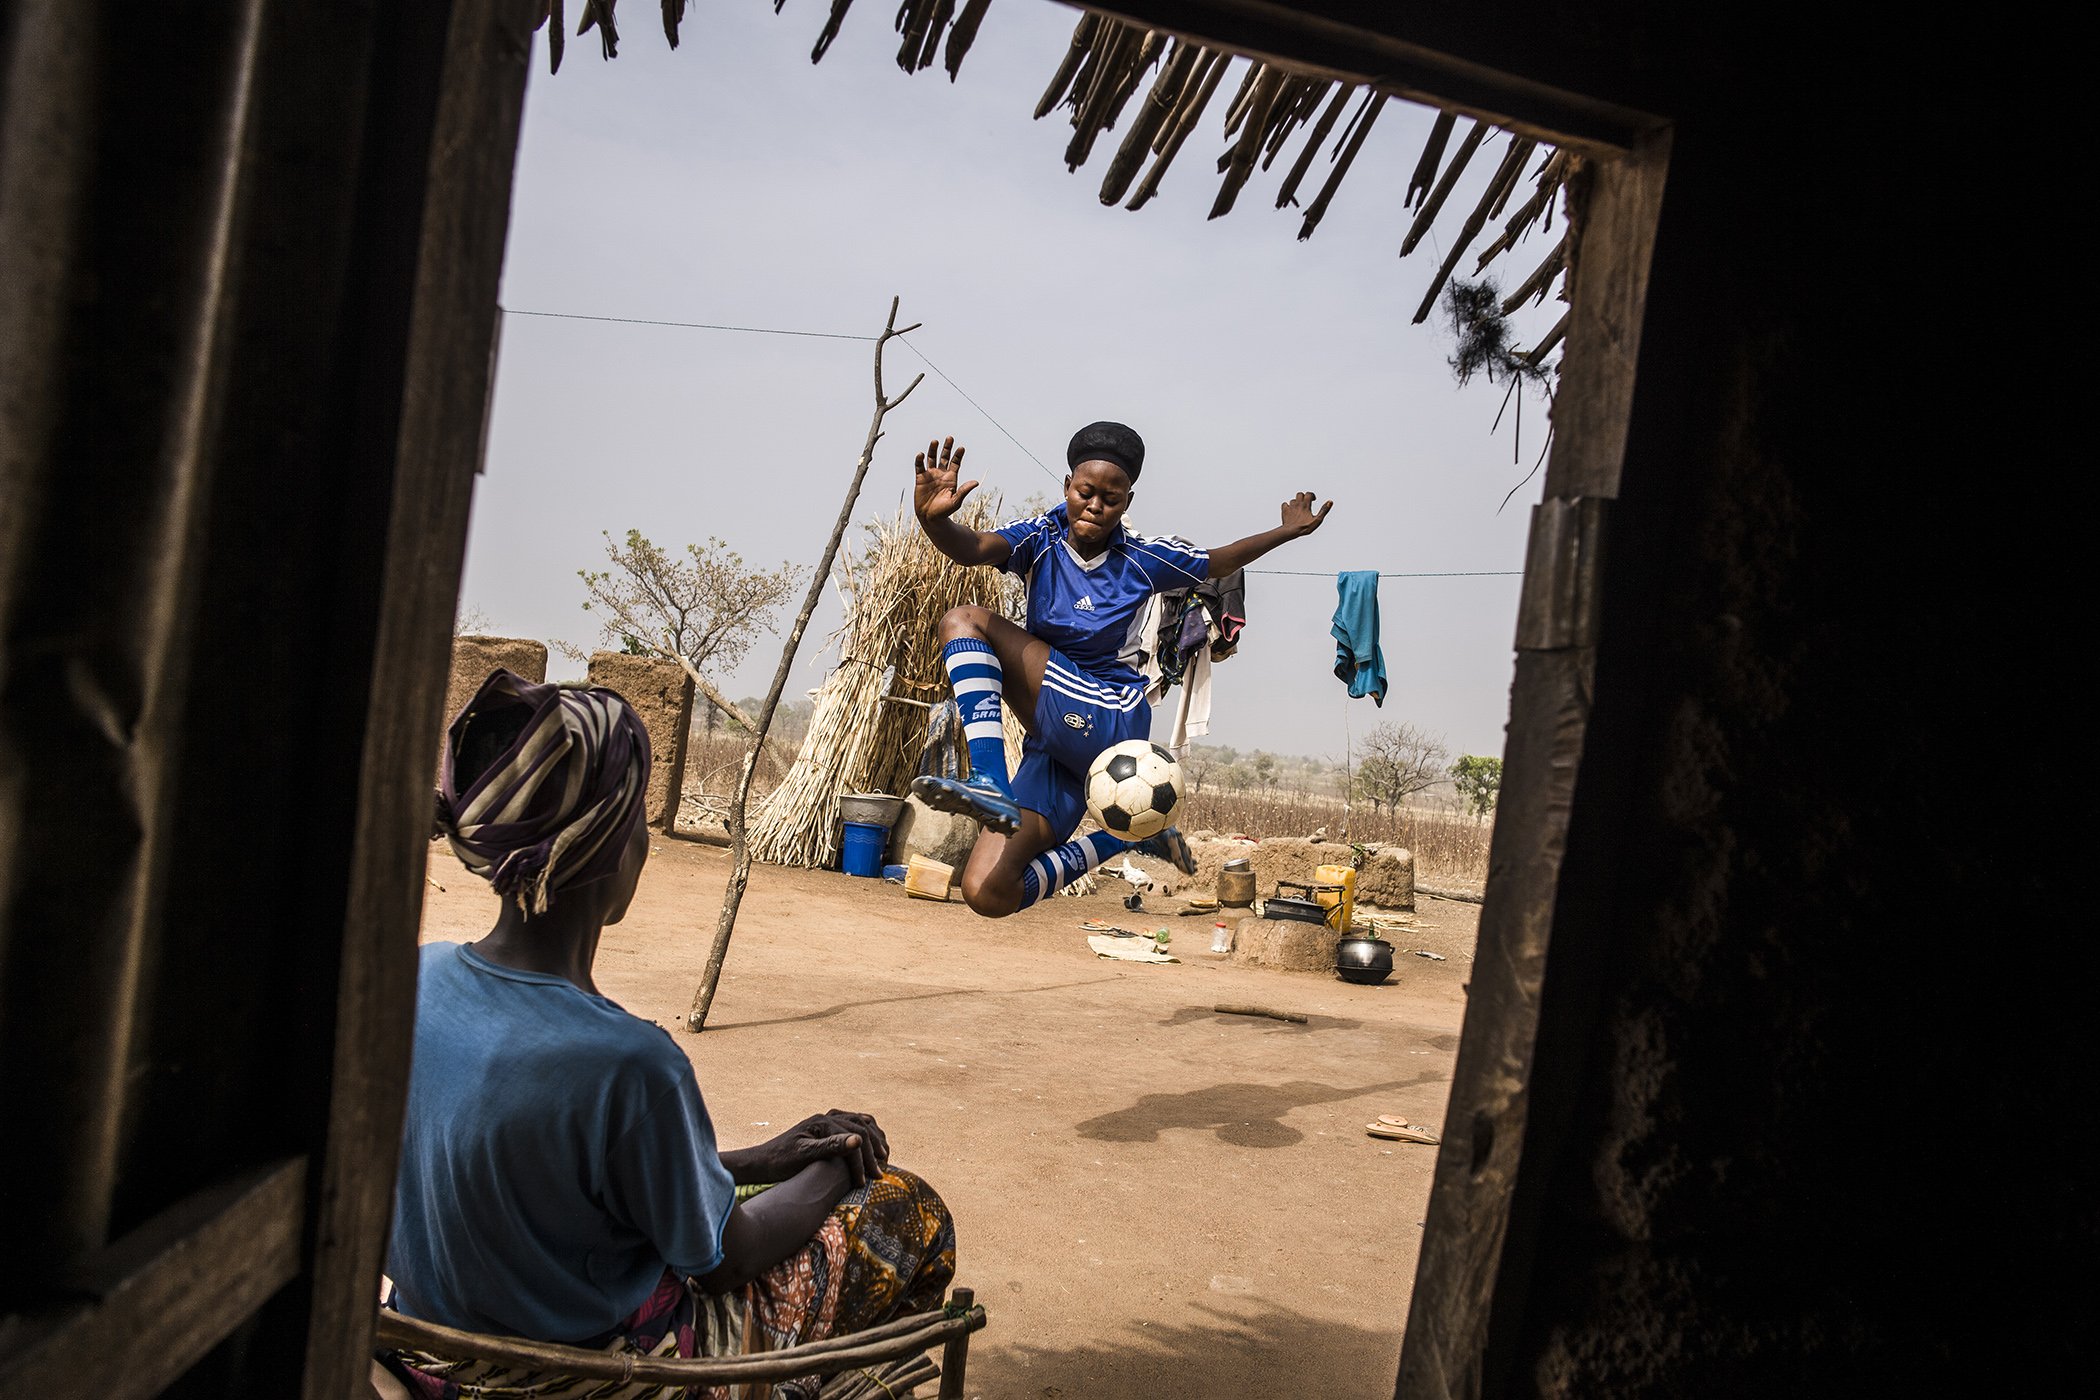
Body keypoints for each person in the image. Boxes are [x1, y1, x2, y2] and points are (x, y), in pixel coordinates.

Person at [382, 670, 955, 1400]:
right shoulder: (629, 1062)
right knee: (909, 1211)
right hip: (592, 1375)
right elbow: (723, 1259)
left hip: (435, 1356)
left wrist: (767, 1157)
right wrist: (838, 1170)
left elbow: (552, 1172)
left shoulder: (411, 981)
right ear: (618, 848)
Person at [909, 423, 1331, 917]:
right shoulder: (1039, 539)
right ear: (1067, 487)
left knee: (963, 621)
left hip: (1110, 713)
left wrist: (1285, 531)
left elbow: (1218, 562)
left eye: (1110, 498)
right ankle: (1121, 841)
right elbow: (974, 549)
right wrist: (934, 522)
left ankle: (987, 779)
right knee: (988, 892)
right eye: (1084, 492)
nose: (1094, 505)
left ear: (1126, 502)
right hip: (1057, 747)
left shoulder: (1142, 560)